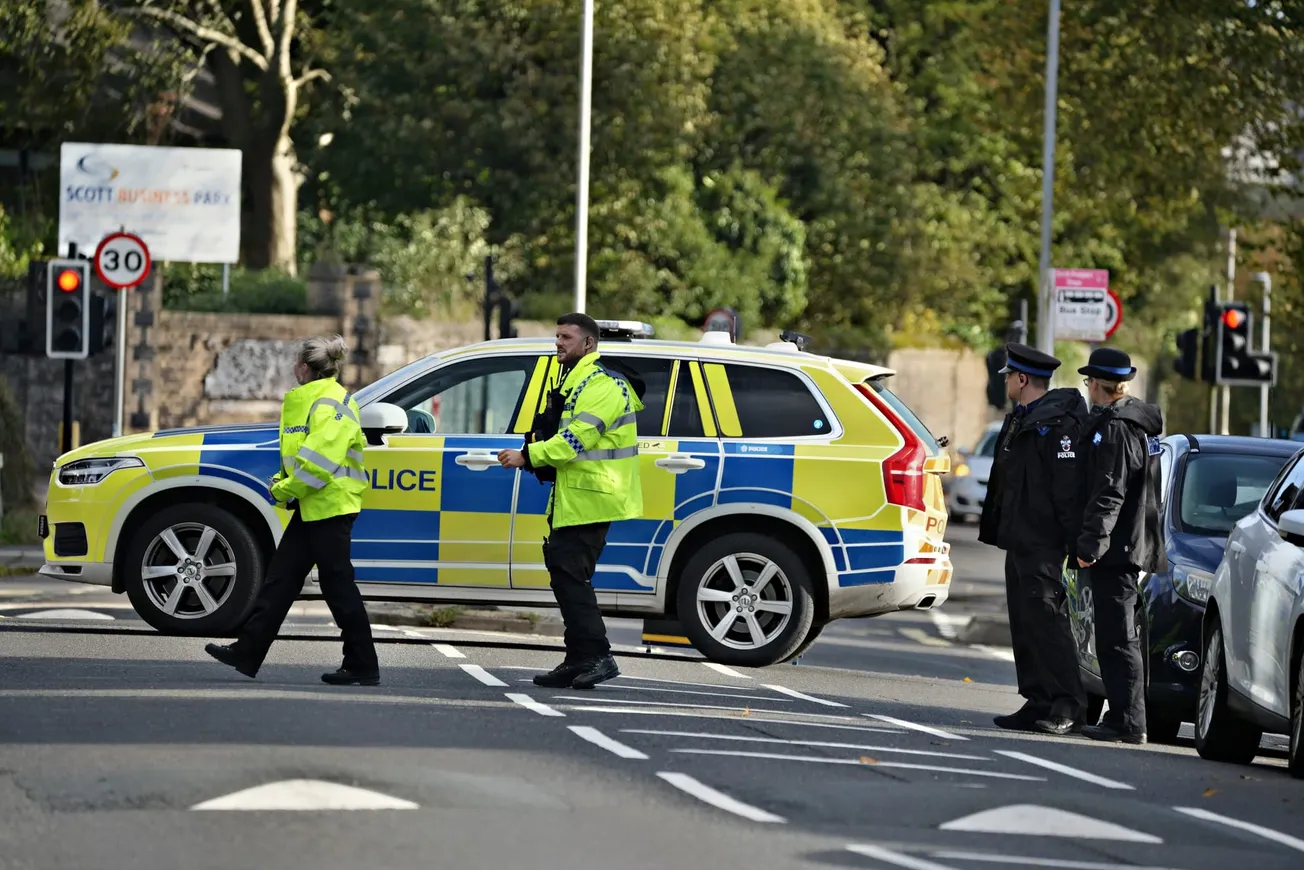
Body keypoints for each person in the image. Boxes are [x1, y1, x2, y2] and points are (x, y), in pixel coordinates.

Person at [204, 335, 379, 685]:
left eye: (294, 362)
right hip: (314, 504)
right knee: (280, 580)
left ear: (303, 367)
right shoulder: (312, 400)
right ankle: (248, 650)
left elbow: (317, 464)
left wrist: (282, 489)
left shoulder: (330, 402)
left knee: (338, 586)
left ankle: (363, 663)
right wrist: (288, 486)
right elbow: (304, 458)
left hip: (330, 505)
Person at [497, 313, 643, 690]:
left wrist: (526, 456)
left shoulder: (602, 386)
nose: (558, 342)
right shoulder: (574, 381)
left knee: (572, 578)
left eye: (566, 337)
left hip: (593, 498)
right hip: (574, 497)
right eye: (556, 335)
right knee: (566, 576)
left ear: (588, 344)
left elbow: (575, 441)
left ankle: (598, 656)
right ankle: (578, 658)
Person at [979, 343, 1089, 735]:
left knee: (1048, 622)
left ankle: (1069, 703)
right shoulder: (1022, 419)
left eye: (1010, 375)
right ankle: (1038, 698)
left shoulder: (1056, 424)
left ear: (1022, 379)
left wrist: (1075, 544)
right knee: (1025, 623)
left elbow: (1066, 491)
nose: (1006, 380)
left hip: (1043, 541)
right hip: (1020, 538)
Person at [1074, 347, 1164, 744]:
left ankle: (1128, 721)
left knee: (1118, 637)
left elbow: (1110, 491)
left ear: (1098, 383)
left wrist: (1091, 543)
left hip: (1118, 549)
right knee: (1114, 635)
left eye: (1088, 381)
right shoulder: (1128, 423)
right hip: (1125, 545)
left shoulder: (1117, 428)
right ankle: (1123, 717)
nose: (1087, 388)